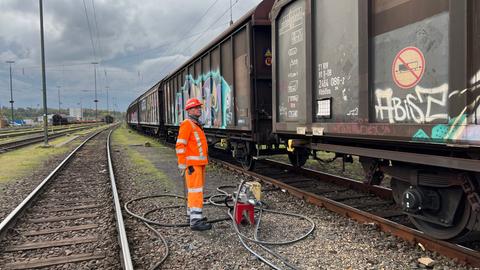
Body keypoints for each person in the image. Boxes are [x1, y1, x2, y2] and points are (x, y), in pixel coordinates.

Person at [175, 98, 212, 231]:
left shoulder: (196, 124)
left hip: (199, 164)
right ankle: (195, 221)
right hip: (192, 165)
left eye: (199, 107)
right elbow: (180, 145)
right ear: (189, 110)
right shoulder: (187, 124)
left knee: (195, 191)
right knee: (196, 191)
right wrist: (182, 164)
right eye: (196, 107)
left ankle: (192, 216)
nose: (199, 109)